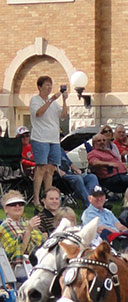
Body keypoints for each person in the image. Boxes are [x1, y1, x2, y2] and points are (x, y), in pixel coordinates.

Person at [29, 76, 68, 208]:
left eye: (50, 85)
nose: (49, 87)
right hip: (40, 138)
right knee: (41, 168)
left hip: (54, 139)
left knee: (51, 169)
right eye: (46, 85)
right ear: (39, 87)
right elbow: (38, 113)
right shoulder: (35, 100)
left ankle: (48, 199)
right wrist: (51, 100)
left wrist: (64, 101)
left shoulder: (54, 103)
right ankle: (36, 199)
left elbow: (63, 116)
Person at [0, 191, 43, 282]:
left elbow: (41, 242)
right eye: (13, 204)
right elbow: (16, 253)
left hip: (37, 263)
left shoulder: (28, 223)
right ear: (5, 209)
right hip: (18, 269)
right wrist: (28, 231)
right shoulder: (4, 227)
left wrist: (28, 231)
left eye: (20, 204)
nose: (17, 206)